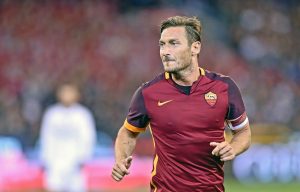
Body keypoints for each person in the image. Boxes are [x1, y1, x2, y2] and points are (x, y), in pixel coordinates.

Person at [111, 16, 251, 192]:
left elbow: (243, 132)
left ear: (195, 47)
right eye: (162, 44)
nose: (165, 51)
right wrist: (121, 159)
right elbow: (128, 133)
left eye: (173, 43)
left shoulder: (224, 87)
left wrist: (232, 147)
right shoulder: (148, 93)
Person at [40, 83, 96, 192]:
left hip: (75, 161)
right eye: (64, 92)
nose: (67, 95)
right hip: (55, 161)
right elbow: (46, 136)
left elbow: (88, 137)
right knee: (53, 186)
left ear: (76, 95)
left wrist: (83, 157)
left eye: (70, 92)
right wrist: (45, 158)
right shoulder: (52, 114)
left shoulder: (82, 115)